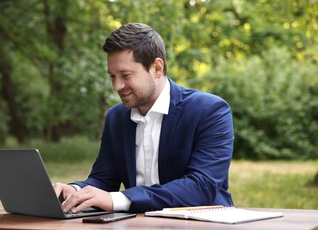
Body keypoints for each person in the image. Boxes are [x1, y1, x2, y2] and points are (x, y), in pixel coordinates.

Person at [53, 23, 234, 213]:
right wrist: (74, 190)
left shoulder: (210, 111)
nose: (117, 86)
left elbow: (201, 186)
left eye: (125, 75)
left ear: (156, 68)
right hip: (139, 223)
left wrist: (119, 199)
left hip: (201, 223)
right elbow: (104, 180)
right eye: (112, 76)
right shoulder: (117, 117)